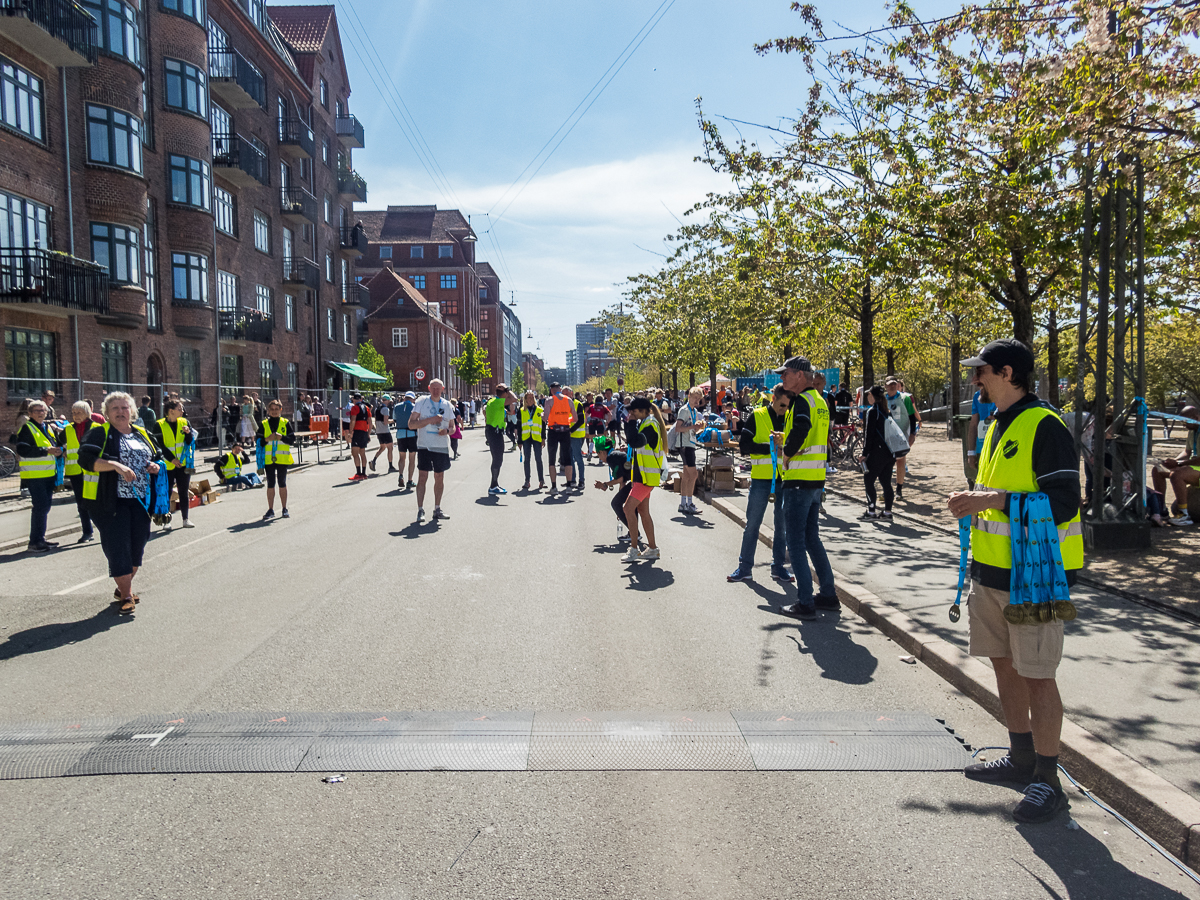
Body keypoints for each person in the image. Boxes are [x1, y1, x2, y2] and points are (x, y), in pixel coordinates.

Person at [949, 339, 1083, 824]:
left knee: (1038, 675)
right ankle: (1021, 757)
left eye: (980, 371)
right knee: (1005, 666)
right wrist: (975, 500)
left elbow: (1065, 503)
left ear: (1007, 373)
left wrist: (990, 501)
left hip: (1036, 577)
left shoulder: (1045, 425)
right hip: (992, 574)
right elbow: (1002, 498)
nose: (974, 380)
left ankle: (1049, 780)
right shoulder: (998, 424)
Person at [79, 392, 164, 614]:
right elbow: (86, 461)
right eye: (115, 408)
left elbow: (159, 456)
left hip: (141, 500)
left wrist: (156, 466)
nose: (120, 412)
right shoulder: (99, 434)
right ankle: (126, 595)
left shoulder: (142, 433)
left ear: (132, 411)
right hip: (109, 502)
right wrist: (116, 466)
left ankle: (122, 586)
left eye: (124, 408)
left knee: (138, 544)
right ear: (107, 413)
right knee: (119, 547)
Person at [772, 356, 838, 620]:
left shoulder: (801, 401)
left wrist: (786, 451)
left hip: (799, 481)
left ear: (800, 375)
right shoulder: (819, 401)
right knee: (812, 538)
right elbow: (813, 435)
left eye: (785, 373)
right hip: (815, 481)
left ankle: (805, 602)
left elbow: (801, 428)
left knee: (796, 541)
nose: (782, 378)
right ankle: (829, 595)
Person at [728, 385, 793, 583]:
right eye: (781, 405)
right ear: (773, 398)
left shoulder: (790, 416)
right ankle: (744, 567)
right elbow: (744, 446)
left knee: (781, 527)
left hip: (784, 479)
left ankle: (778, 568)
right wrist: (771, 447)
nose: (784, 409)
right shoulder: (757, 415)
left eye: (787, 406)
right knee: (752, 525)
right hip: (762, 479)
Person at [621, 396, 666, 562]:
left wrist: (630, 423)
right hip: (644, 476)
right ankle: (653, 548)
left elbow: (635, 442)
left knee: (627, 509)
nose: (631, 413)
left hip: (647, 478)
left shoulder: (650, 425)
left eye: (633, 411)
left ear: (642, 411)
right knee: (643, 512)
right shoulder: (646, 423)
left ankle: (634, 549)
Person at [15, 398, 64, 552]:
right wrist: (45, 451)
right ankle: (34, 542)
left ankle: (40, 539)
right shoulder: (27, 428)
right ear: (30, 413)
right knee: (40, 507)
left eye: (43, 410)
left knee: (45, 507)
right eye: (37, 411)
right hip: (34, 476)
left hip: (48, 474)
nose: (41, 413)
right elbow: (23, 450)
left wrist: (58, 451)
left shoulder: (47, 427)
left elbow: (53, 445)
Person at [408, 379, 455, 522]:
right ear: (429, 388)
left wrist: (447, 431)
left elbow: (453, 428)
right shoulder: (422, 402)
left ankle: (437, 508)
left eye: (438, 388)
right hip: (425, 446)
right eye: (433, 388)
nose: (436, 391)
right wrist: (430, 420)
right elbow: (411, 424)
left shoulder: (447, 405)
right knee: (423, 477)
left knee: (439, 477)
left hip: (441, 447)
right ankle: (420, 509)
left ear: (443, 389)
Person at [1151, 405, 1200, 524]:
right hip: (1195, 466)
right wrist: (1173, 461)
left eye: (1185, 421)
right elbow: (1187, 452)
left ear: (1196, 417)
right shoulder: (1193, 432)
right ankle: (1161, 510)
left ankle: (1184, 515)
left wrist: (1178, 464)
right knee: (1157, 470)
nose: (1183, 425)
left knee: (1176, 475)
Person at [58, 400, 97, 544]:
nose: (76, 415)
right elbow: (57, 443)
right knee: (81, 504)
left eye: (79, 412)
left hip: (94, 471)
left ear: (87, 413)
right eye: (73, 413)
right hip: (75, 471)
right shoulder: (68, 429)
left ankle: (105, 528)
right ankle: (87, 532)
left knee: (97, 501)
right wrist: (61, 451)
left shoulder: (97, 427)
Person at [153, 399, 196, 530]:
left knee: (183, 491)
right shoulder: (159, 425)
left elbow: (190, 441)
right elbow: (159, 445)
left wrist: (188, 434)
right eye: (180, 409)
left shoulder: (184, 422)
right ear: (171, 411)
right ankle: (166, 520)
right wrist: (172, 459)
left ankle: (185, 519)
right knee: (166, 492)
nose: (183, 411)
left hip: (183, 464)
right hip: (167, 465)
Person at [860, 386, 896, 520]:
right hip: (889, 453)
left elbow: (869, 435)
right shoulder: (887, 411)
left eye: (868, 394)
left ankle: (871, 511)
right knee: (886, 482)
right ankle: (887, 512)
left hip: (876, 453)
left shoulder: (872, 412)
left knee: (869, 480)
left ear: (872, 395)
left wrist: (864, 454)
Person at [258, 398, 295, 520]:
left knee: (282, 483)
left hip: (282, 459)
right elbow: (258, 442)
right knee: (270, 484)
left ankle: (284, 508)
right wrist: (267, 439)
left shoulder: (285, 422)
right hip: (269, 460)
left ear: (280, 410)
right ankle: (270, 509)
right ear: (268, 411)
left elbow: (292, 439)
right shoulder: (263, 424)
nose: (274, 411)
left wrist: (282, 437)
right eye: (272, 409)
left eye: (276, 409)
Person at [674, 387, 706, 515]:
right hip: (685, 445)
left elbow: (691, 430)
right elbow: (678, 428)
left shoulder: (694, 411)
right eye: (695, 398)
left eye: (699, 399)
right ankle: (689, 503)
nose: (697, 401)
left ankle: (684, 503)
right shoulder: (684, 410)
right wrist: (693, 426)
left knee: (687, 475)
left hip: (689, 443)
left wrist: (698, 428)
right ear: (689, 397)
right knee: (693, 475)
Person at [885, 378, 918, 499]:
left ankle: (899, 489)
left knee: (900, 461)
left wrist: (913, 434)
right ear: (885, 387)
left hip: (902, 435)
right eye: (890, 385)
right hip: (888, 436)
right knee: (887, 463)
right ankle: (887, 490)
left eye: (894, 384)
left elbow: (912, 416)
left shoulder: (905, 398)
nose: (892, 387)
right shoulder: (883, 399)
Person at [484, 383, 519, 495]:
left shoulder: (492, 401)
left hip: (493, 431)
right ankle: (493, 486)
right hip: (495, 432)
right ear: (504, 393)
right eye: (506, 392)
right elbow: (514, 399)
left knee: (497, 458)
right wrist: (508, 389)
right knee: (498, 459)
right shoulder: (499, 402)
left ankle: (495, 484)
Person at [543, 383, 578, 494]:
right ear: (560, 389)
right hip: (565, 430)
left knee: (552, 459)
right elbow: (575, 418)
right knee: (567, 458)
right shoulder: (569, 400)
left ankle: (554, 487)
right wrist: (566, 420)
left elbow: (545, 418)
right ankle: (568, 485)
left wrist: (542, 415)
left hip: (553, 430)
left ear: (551, 390)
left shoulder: (549, 400)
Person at [594, 443, 633, 543]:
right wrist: (622, 505)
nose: (600, 458)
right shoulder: (615, 455)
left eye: (599, 455)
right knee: (625, 505)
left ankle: (634, 533)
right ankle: (633, 533)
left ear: (603, 452)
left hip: (637, 480)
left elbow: (619, 479)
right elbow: (622, 480)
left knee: (615, 503)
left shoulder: (611, 458)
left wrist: (605, 484)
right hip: (637, 479)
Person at [966, 388, 998, 488]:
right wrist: (971, 453)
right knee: (983, 484)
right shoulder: (977, 396)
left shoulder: (1004, 392)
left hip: (999, 448)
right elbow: (973, 425)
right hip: (982, 450)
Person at [519, 390, 546, 490]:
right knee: (527, 460)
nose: (530, 399)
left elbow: (543, 426)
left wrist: (543, 438)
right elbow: (519, 426)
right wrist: (519, 441)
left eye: (532, 397)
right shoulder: (521, 411)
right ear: (525, 399)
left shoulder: (539, 410)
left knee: (538, 459)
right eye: (528, 398)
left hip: (536, 437)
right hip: (526, 437)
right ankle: (527, 481)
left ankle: (541, 480)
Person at [393, 391, 418, 489]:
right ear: (412, 399)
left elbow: (395, 419)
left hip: (400, 434)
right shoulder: (414, 407)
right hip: (412, 434)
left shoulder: (396, 407)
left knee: (402, 457)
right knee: (412, 459)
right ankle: (410, 480)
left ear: (404, 398)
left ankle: (400, 475)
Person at [370, 395, 395, 474]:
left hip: (379, 431)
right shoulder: (385, 409)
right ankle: (390, 466)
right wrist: (393, 421)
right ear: (387, 401)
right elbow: (385, 422)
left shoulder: (377, 408)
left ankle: (373, 460)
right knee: (390, 448)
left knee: (382, 447)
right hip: (385, 431)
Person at [586, 393, 608, 461]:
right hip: (600, 423)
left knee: (592, 440)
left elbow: (586, 414)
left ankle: (590, 452)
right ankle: (601, 457)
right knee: (600, 440)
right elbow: (609, 414)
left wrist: (586, 422)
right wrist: (607, 422)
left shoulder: (592, 406)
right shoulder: (603, 407)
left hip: (592, 423)